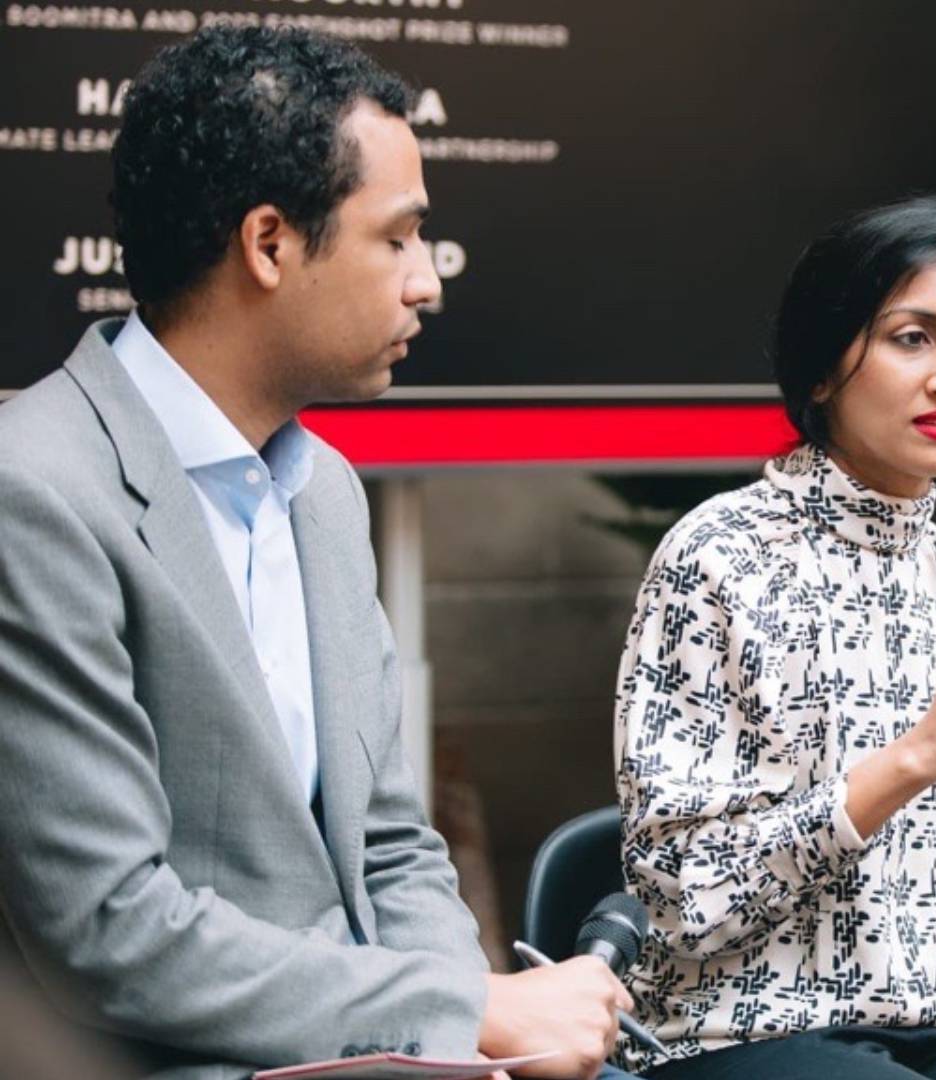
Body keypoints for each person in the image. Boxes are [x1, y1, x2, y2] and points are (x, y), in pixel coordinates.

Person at [0, 27, 632, 1079]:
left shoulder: (326, 491)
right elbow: (109, 929)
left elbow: (391, 843)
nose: (426, 283)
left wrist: (463, 1054)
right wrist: (466, 1008)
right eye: (397, 239)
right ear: (269, 244)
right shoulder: (36, 490)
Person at [611, 195, 936, 1080]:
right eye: (911, 337)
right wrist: (915, 759)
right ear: (823, 370)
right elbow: (678, 893)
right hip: (743, 1031)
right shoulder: (716, 560)